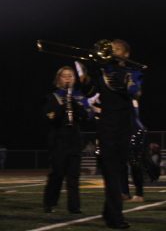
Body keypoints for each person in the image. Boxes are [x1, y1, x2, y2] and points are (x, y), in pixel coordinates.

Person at [80, 39, 142, 229]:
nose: (112, 51)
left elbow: (135, 92)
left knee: (116, 171)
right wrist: (85, 80)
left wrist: (127, 79)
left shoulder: (133, 72)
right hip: (106, 127)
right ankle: (115, 217)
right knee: (111, 172)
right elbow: (90, 93)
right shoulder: (101, 72)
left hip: (124, 127)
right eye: (110, 49)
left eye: (116, 49)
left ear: (126, 54)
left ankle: (109, 213)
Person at [42, 66, 87, 214]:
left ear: (74, 79)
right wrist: (63, 105)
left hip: (74, 139)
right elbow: (51, 118)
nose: (68, 78)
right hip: (59, 140)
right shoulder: (52, 96)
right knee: (57, 174)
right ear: (58, 79)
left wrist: (73, 103)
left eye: (71, 76)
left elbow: (86, 117)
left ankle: (74, 207)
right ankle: (50, 203)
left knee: (73, 176)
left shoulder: (79, 96)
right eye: (64, 76)